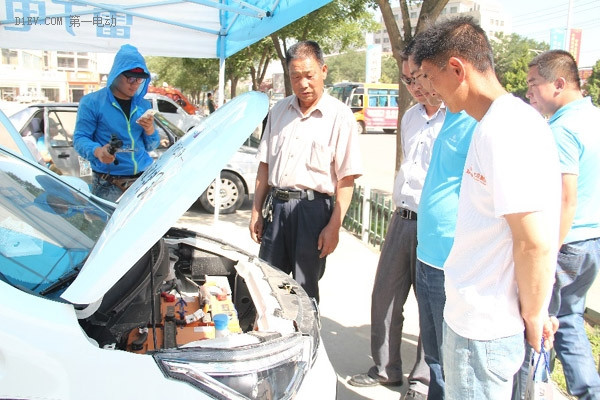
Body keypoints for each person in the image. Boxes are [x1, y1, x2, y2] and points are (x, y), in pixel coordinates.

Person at [412, 16, 561, 400]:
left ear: (458, 69)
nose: (429, 90)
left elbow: (533, 242)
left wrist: (534, 315)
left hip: (486, 329)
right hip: (475, 319)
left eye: (430, 77)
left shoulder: (505, 131)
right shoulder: (497, 124)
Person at [348, 46, 446, 399]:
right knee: (385, 294)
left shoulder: (457, 119)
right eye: (407, 79)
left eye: (418, 77)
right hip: (402, 219)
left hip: (435, 225)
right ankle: (386, 369)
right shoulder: (411, 117)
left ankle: (422, 382)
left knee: (431, 304)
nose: (414, 86)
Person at [512, 50, 600, 400]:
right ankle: (589, 391)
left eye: (534, 83)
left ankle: (532, 391)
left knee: (537, 323)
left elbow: (566, 198)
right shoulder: (594, 118)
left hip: (566, 242)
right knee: (570, 320)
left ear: (559, 83)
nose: (529, 91)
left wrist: (549, 253)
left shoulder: (562, 128)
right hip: (592, 240)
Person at [248, 40, 362, 303]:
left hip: (313, 213)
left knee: (303, 291)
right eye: (295, 77)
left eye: (309, 75)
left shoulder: (340, 116)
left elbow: (346, 179)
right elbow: (264, 165)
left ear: (323, 71)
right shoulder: (278, 111)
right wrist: (256, 211)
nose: (303, 83)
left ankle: (304, 342)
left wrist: (334, 225)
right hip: (276, 208)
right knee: (267, 285)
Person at [405, 43, 478, 400]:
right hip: (428, 254)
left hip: (456, 261)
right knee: (434, 358)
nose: (422, 86)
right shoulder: (443, 117)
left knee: (455, 364)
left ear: (455, 70)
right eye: (416, 79)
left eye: (426, 77)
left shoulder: (482, 124)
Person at [74, 44, 159, 203]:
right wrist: (98, 151)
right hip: (109, 183)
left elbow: (151, 146)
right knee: (107, 225)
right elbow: (79, 139)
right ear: (116, 74)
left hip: (143, 179)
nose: (135, 84)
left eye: (139, 79)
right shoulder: (92, 102)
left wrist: (149, 130)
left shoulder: (143, 105)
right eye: (130, 78)